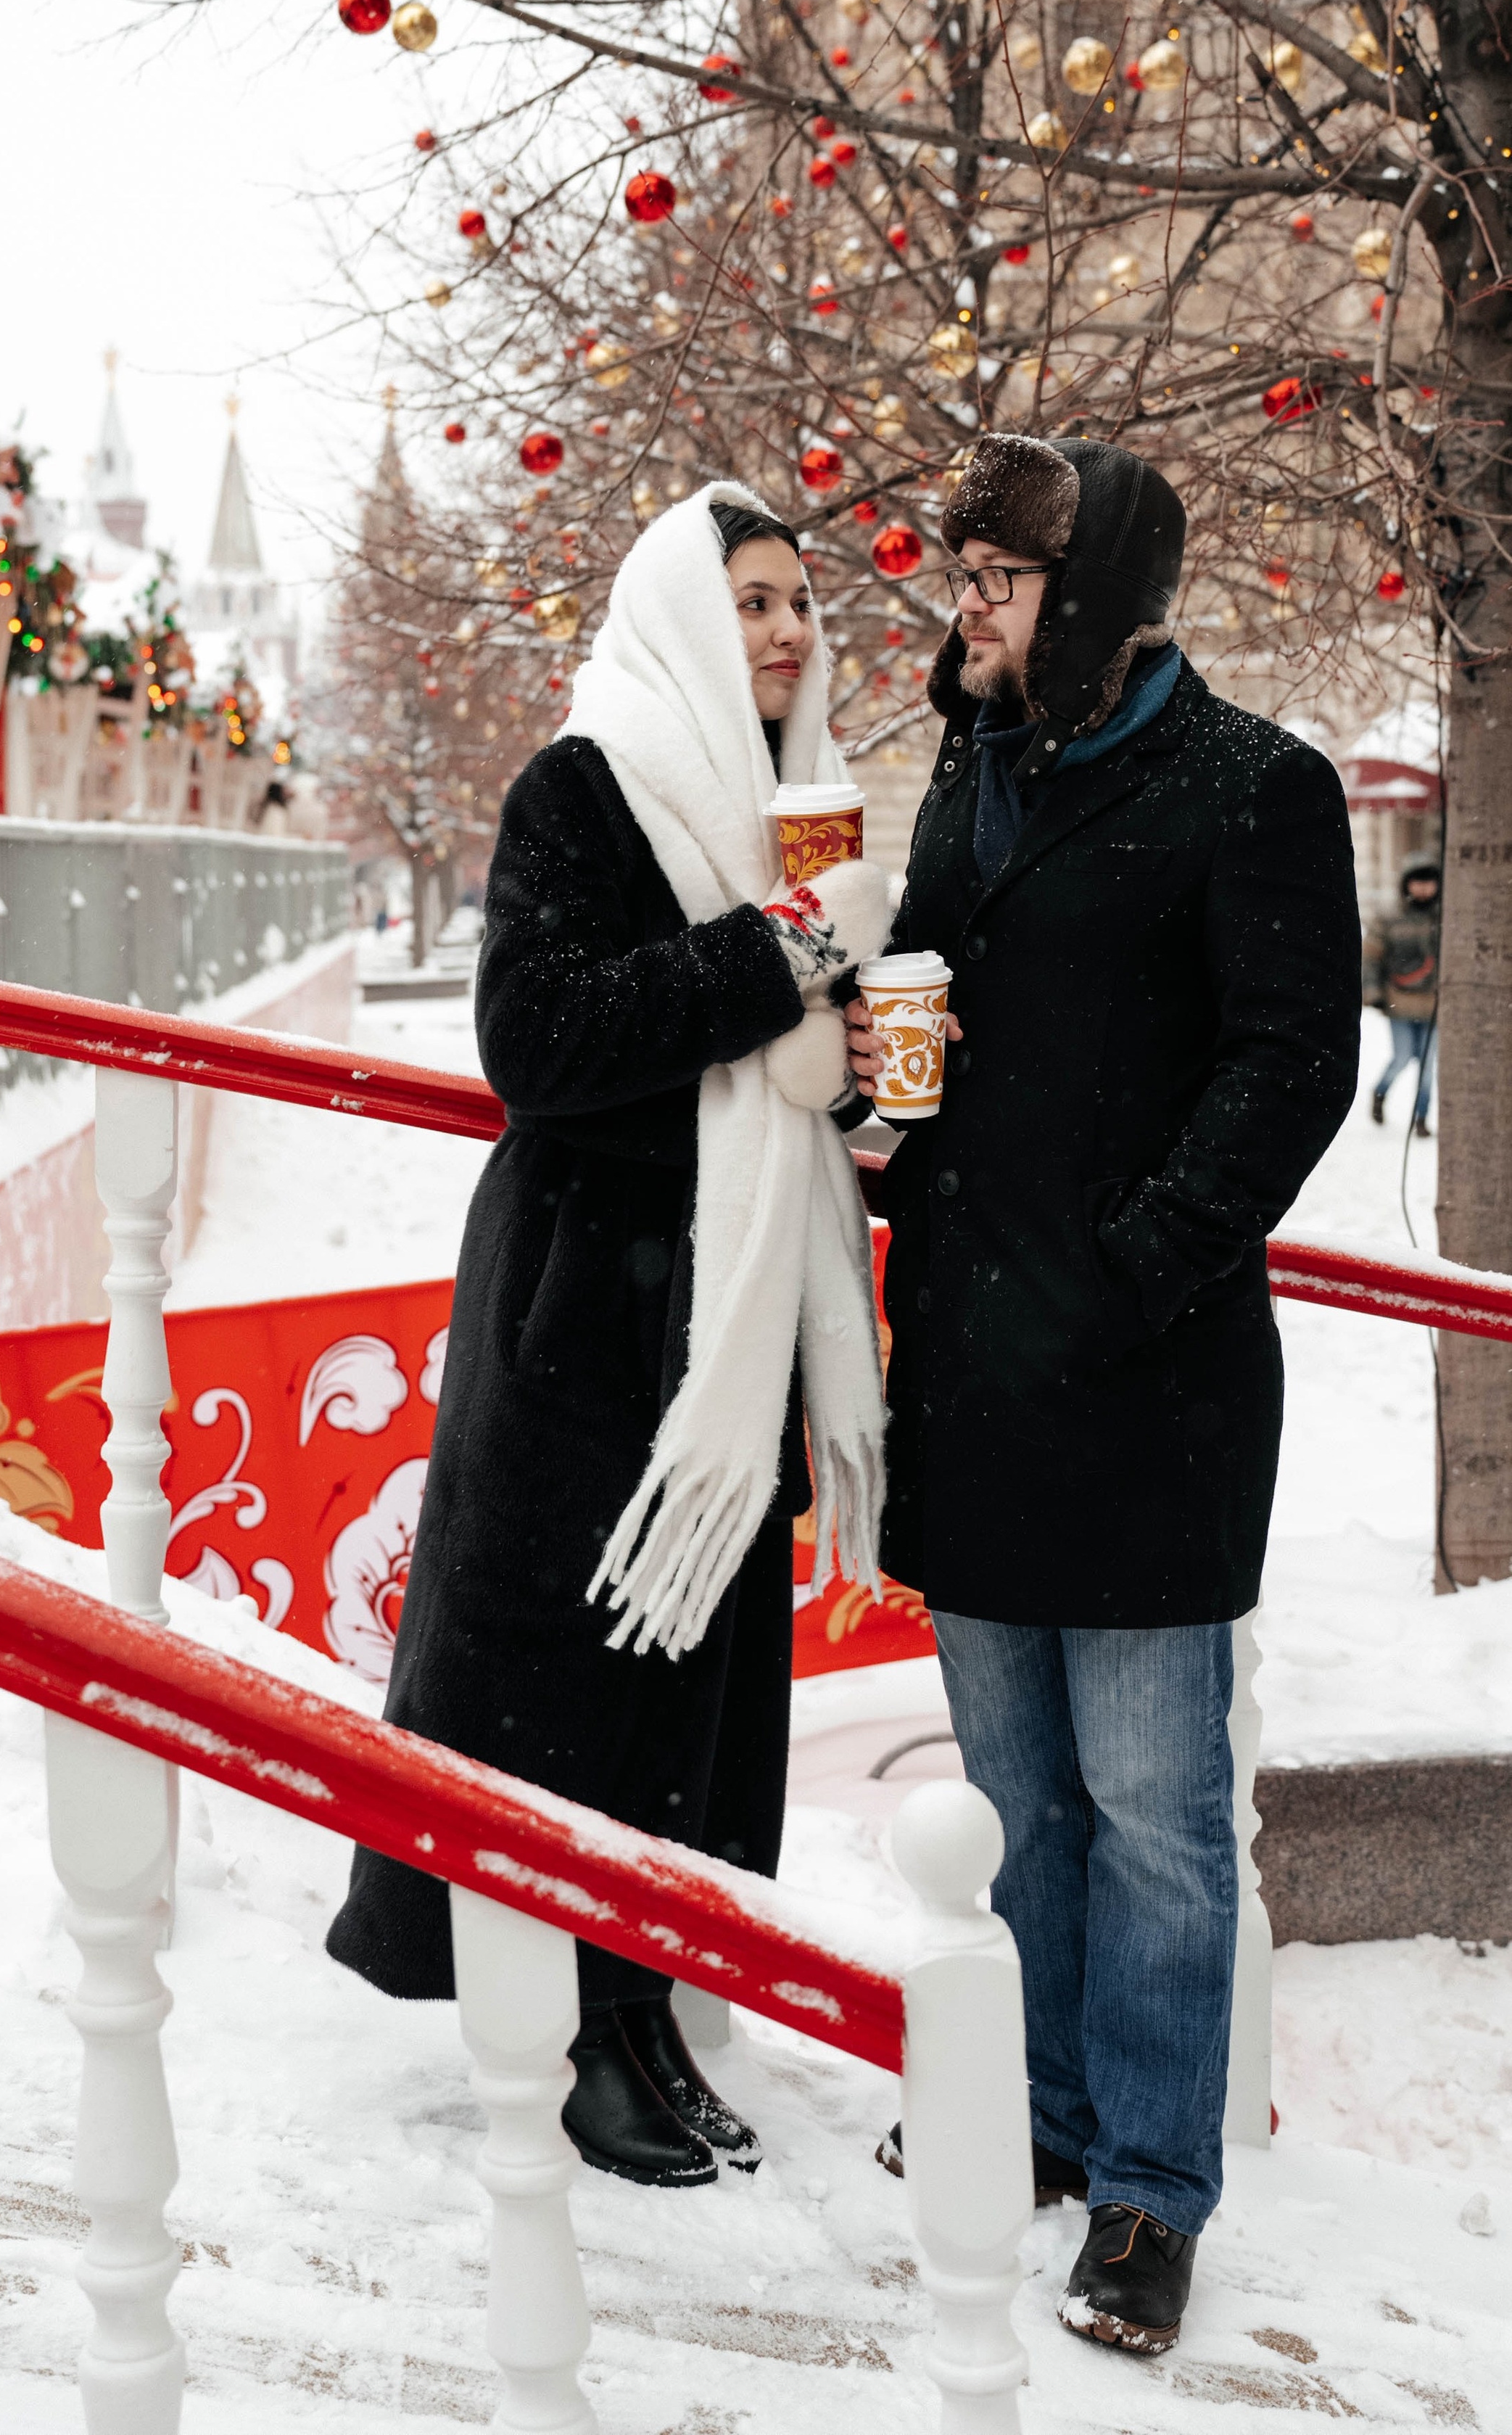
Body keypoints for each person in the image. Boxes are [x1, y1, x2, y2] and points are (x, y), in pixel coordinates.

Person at [845, 433, 1360, 2356]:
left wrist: (1135, 1265)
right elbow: (925, 994)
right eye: (958, 580)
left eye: (994, 580)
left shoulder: (1254, 786)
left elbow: (1291, 1066)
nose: (962, 611)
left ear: (1096, 595)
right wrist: (878, 1057)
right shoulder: (969, 776)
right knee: (1017, 1802)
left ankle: (1148, 2190)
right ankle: (1040, 2120)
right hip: (974, 1371)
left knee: (1151, 1815)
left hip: (1153, 1388)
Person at [329, 483, 890, 2186]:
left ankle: (641, 1998)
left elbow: (787, 1063)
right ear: (675, 614)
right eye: (748, 599)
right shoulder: (580, 784)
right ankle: (572, 2025)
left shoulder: (803, 807)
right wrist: (780, 953)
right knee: (565, 1681)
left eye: (798, 599)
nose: (785, 628)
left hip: (726, 1308)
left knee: (678, 1691)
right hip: (586, 1310)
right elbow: (534, 1034)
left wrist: (858, 1059)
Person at [1366, 860, 1440, 1137]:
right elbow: (1372, 958)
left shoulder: (1445, 918)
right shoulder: (1390, 918)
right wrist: (1374, 993)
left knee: (1427, 1065)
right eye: (1418, 882)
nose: (1423, 888)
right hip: (1400, 1002)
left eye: (1428, 882)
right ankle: (1380, 1092)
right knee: (1402, 1057)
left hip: (1434, 1006)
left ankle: (1421, 1118)